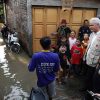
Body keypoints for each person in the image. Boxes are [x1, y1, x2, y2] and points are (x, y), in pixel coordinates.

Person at [82, 17, 100, 92]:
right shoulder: (92, 34)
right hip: (88, 58)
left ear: (98, 25)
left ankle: (90, 91)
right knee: (87, 76)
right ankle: (86, 88)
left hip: (95, 61)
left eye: (91, 25)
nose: (90, 27)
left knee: (92, 77)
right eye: (89, 25)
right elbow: (90, 46)